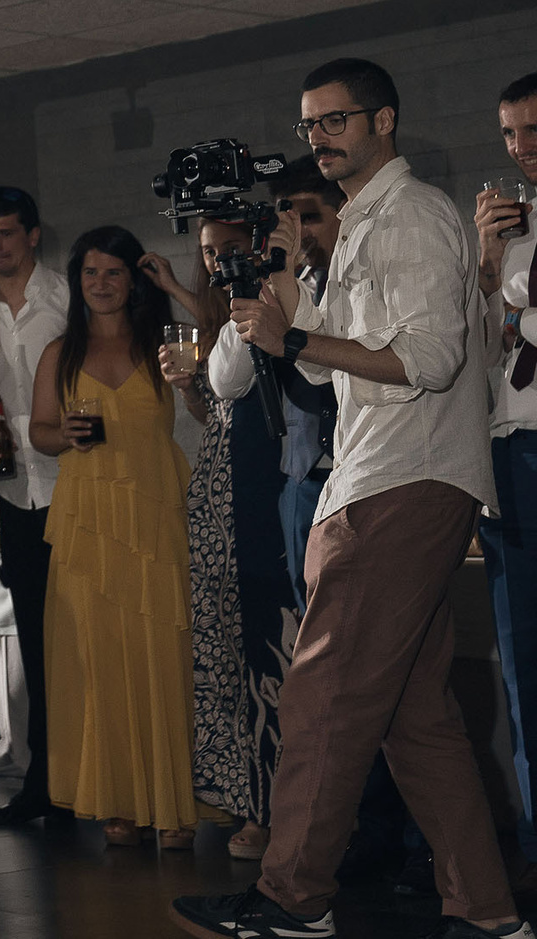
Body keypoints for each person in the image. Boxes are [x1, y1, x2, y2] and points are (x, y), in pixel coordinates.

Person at [175, 58, 524, 939]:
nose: (320, 139)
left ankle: (294, 897)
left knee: (321, 694)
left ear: (384, 121)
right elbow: (241, 369)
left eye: (336, 121)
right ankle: (488, 912)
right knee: (418, 720)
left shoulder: (410, 216)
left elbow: (431, 360)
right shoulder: (357, 228)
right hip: (376, 477)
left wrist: (297, 334)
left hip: (400, 482)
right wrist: (285, 280)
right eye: (310, 125)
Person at [28, 226, 193, 848]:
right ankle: (119, 799)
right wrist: (62, 433)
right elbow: (39, 431)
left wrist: (175, 286)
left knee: (164, 653)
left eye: (113, 273)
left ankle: (172, 803)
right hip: (87, 519)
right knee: (97, 660)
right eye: (90, 273)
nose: (100, 284)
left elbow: (207, 404)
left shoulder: (165, 341)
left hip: (154, 512)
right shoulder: (58, 352)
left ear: (134, 279)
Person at [169, 212, 300, 861]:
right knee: (226, 660)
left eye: (229, 248)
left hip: (262, 489)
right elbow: (214, 408)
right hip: (216, 494)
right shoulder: (224, 322)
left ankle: (275, 810)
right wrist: (185, 385)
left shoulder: (273, 304)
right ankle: (247, 798)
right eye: (209, 252)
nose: (220, 260)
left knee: (269, 654)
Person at [0, 185, 69, 828]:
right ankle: (44, 784)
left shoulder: (68, 300)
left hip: (76, 485)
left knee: (82, 639)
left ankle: (92, 781)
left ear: (32, 235)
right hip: (18, 497)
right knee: (34, 642)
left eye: (6, 233)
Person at [471, 72, 537, 871]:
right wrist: (487, 263)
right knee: (524, 672)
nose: (525, 148)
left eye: (535, 130)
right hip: (507, 457)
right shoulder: (508, 230)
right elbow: (477, 355)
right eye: (513, 134)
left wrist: (519, 313)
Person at [267, 160, 344, 609]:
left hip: (365, 475)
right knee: (309, 616)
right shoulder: (285, 282)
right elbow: (226, 377)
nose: (299, 233)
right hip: (301, 477)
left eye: (309, 217)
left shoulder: (366, 278)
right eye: (288, 220)